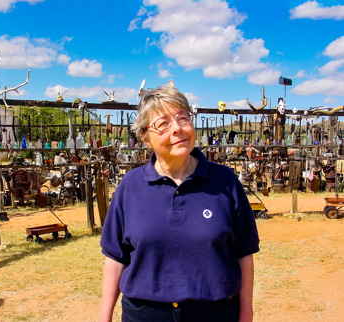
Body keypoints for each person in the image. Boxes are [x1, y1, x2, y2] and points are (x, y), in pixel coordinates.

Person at [99, 81, 260, 322]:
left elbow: (244, 254)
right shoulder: (130, 187)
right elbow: (115, 258)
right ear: (145, 137)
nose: (177, 128)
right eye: (163, 123)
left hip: (215, 313)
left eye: (183, 118)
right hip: (145, 315)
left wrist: (246, 314)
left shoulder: (225, 182)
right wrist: (105, 317)